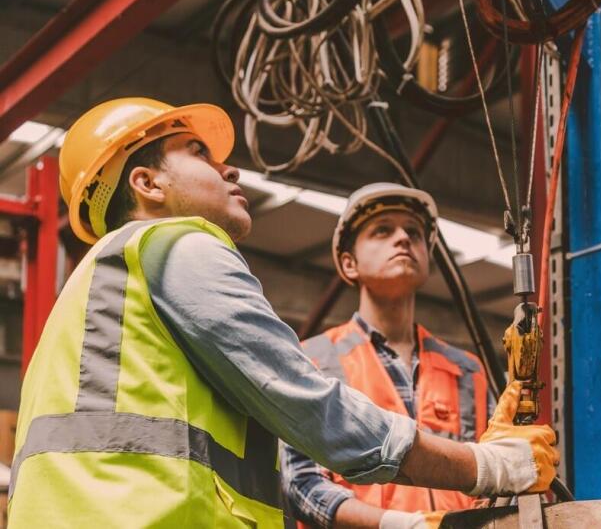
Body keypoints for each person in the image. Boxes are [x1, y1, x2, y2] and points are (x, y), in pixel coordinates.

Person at [7, 98, 557, 528]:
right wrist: (486, 466)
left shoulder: (100, 288)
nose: (230, 170)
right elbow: (309, 408)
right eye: (199, 153)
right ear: (148, 184)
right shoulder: (176, 245)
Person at [283, 183, 496, 528]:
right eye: (382, 230)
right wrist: (399, 525)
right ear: (349, 264)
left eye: (414, 232)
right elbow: (302, 484)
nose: (403, 239)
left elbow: (496, 475)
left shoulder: (468, 371)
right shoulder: (312, 359)